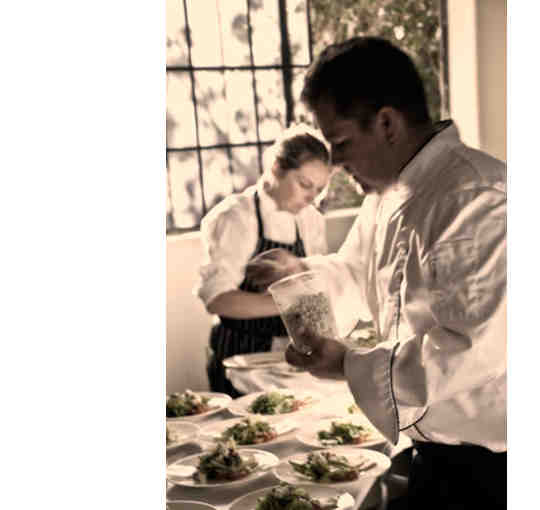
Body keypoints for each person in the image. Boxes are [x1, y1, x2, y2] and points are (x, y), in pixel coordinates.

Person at [246, 37, 507, 509]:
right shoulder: (386, 195)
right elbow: (353, 272)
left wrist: (349, 364)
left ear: (387, 123)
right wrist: (299, 272)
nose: (336, 163)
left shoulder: (476, 196)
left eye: (341, 143)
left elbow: (472, 349)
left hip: (494, 472)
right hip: (431, 456)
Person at [195, 124, 333, 397]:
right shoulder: (236, 216)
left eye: (319, 190)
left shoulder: (312, 219)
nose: (311, 197)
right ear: (277, 168)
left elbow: (317, 285)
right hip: (240, 356)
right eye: (305, 184)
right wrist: (292, 303)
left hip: (290, 360)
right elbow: (218, 300)